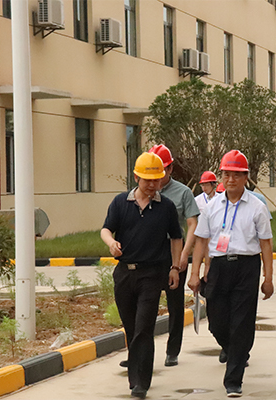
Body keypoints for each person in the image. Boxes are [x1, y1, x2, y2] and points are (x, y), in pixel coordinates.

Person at [188, 150, 274, 398]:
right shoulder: (211, 207)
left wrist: (268, 278)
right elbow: (201, 241)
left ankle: (233, 379)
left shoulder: (257, 207)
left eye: (236, 175)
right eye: (226, 174)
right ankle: (236, 349)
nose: (231, 179)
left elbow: (266, 243)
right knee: (217, 322)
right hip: (219, 267)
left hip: (247, 268)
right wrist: (195, 273)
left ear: (246, 177)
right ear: (221, 177)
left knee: (241, 323)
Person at [101, 152, 183, 399]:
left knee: (144, 327)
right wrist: (111, 243)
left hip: (152, 275)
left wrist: (175, 268)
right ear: (136, 178)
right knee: (131, 327)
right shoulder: (120, 203)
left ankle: (140, 383)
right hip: (124, 274)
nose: (152, 184)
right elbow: (106, 229)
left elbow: (176, 238)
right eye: (148, 180)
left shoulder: (166, 207)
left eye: (156, 180)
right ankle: (135, 375)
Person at [149, 144, 200, 367]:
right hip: (149, 257)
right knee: (145, 306)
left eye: (160, 170)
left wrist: (184, 254)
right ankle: (140, 352)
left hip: (174, 255)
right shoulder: (144, 190)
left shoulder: (183, 193)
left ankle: (172, 350)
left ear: (170, 169)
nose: (155, 177)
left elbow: (192, 224)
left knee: (175, 306)